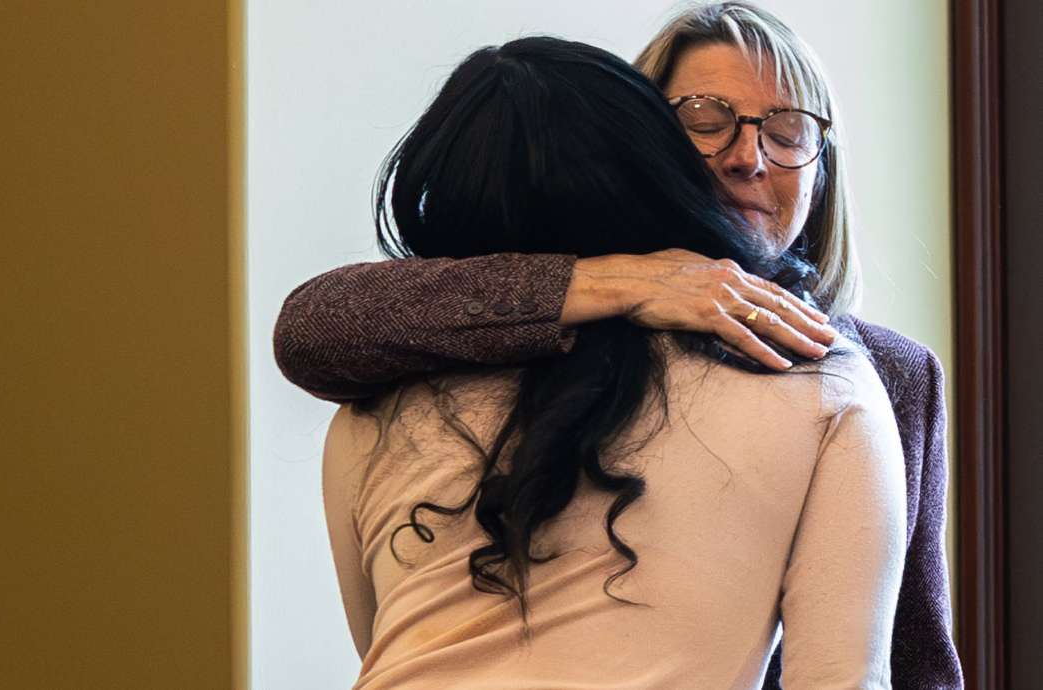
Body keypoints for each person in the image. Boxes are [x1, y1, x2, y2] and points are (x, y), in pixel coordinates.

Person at [275, 4, 960, 687]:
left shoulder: (870, 375)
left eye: (788, 131)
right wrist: (606, 282)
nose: (749, 157)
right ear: (638, 143)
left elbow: (909, 654)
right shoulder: (501, 338)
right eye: (704, 120)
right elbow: (315, 325)